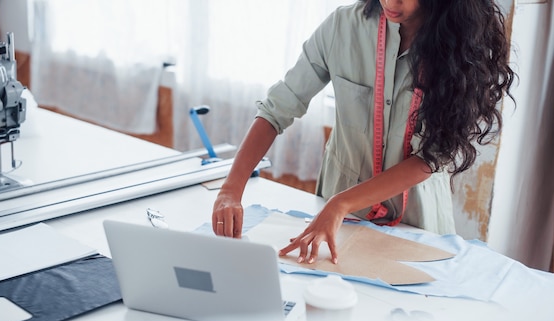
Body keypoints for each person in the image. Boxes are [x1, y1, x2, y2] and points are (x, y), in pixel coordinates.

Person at [211, 0, 515, 265]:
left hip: (416, 221)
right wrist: (230, 189)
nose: (391, 1)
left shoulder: (460, 51)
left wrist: (341, 203)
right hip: (332, 217)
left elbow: (431, 156)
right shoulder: (341, 28)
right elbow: (278, 107)